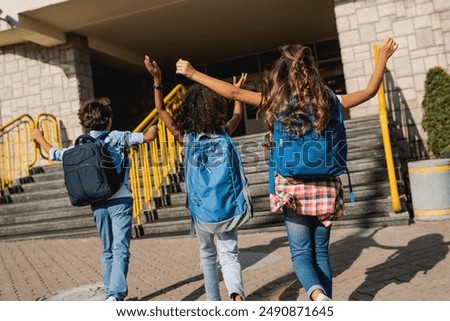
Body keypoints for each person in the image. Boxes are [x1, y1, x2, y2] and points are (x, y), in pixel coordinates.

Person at [175, 38, 399, 301]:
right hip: (326, 186)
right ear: (310, 71)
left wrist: (192, 73)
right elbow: (370, 91)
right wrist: (382, 56)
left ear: (281, 74)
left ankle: (317, 297)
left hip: (292, 188)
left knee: (301, 254)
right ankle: (325, 303)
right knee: (321, 253)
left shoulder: (277, 102)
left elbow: (234, 94)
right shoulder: (330, 100)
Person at [32, 97, 158, 301]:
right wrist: (154, 127)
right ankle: (115, 295)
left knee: (107, 249)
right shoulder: (116, 137)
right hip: (120, 201)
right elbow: (148, 137)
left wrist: (39, 137)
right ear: (108, 119)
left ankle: (110, 292)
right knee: (120, 249)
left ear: (84, 123)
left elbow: (55, 154)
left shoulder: (80, 146)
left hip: (97, 203)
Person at [144, 55, 247, 301]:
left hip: (201, 209)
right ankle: (237, 295)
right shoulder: (224, 132)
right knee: (229, 254)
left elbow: (160, 110)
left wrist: (158, 80)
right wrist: (237, 95)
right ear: (214, 109)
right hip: (225, 205)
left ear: (188, 110)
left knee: (207, 254)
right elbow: (238, 118)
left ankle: (213, 302)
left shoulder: (185, 137)